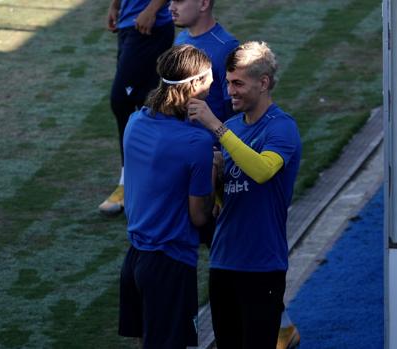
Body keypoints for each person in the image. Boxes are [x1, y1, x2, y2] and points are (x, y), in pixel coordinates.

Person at [188, 41, 302, 349]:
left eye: (238, 83)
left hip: (262, 266)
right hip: (224, 261)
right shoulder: (233, 125)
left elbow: (264, 170)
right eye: (227, 83)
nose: (229, 92)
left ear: (263, 83)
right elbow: (224, 201)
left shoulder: (282, 128)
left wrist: (215, 127)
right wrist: (216, 175)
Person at [118, 44, 216, 348]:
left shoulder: (135, 123)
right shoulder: (197, 141)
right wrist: (213, 174)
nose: (216, 84)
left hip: (134, 260)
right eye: (211, 78)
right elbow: (198, 215)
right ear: (197, 84)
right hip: (170, 265)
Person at [99, 0, 175, 216]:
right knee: (143, 103)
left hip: (149, 25)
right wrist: (115, 5)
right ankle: (146, 185)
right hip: (130, 23)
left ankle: (131, 184)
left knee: (124, 101)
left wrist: (151, 9)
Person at [170, 0, 238, 123]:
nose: (171, 8)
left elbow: (233, 106)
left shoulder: (226, 47)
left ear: (204, 4)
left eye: (179, 1)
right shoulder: (181, 39)